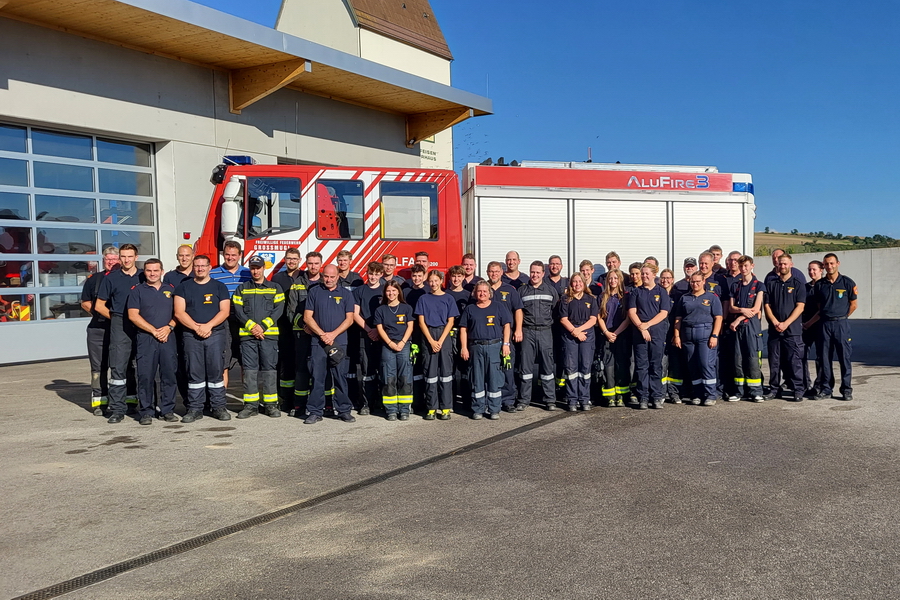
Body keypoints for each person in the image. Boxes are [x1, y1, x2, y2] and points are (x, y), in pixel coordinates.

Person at [174, 255, 232, 423]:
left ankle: (219, 407)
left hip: (216, 334)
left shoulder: (219, 287)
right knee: (194, 372)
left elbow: (225, 311)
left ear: (209, 267)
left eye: (203, 266)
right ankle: (195, 408)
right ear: (193, 267)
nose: (200, 269)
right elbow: (179, 312)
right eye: (197, 266)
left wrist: (208, 326)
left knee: (216, 371)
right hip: (191, 335)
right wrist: (196, 328)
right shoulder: (183, 287)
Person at [95, 243, 142, 423]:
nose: (126, 260)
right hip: (120, 324)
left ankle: (146, 407)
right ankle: (117, 409)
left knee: (144, 367)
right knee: (118, 367)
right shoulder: (111, 278)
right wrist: (115, 317)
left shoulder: (144, 276)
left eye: (130, 256)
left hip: (143, 324)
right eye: (123, 256)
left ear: (136, 257)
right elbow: (99, 305)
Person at [303, 264, 356, 424]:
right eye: (326, 276)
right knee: (317, 377)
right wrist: (322, 334)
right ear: (322, 276)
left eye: (332, 277)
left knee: (340, 377)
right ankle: (315, 411)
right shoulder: (314, 292)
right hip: (318, 343)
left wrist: (332, 334)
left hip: (339, 341)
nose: (329, 279)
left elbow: (350, 319)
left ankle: (344, 410)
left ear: (338, 276)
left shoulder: (346, 294)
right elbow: (307, 317)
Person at [127, 258, 178, 424]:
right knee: (145, 376)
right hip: (146, 339)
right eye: (149, 270)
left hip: (168, 338)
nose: (152, 273)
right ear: (144, 272)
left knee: (169, 375)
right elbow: (133, 315)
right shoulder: (137, 291)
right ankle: (146, 412)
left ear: (162, 272)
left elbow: (179, 313)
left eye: (156, 270)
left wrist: (169, 328)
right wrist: (153, 331)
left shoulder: (171, 289)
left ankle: (167, 410)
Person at [233, 255, 285, 419]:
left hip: (269, 336)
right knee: (249, 371)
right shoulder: (242, 289)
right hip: (248, 337)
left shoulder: (275, 288)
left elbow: (278, 310)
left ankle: (271, 405)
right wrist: (252, 327)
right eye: (253, 268)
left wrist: (262, 327)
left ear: (264, 268)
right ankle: (250, 405)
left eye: (258, 268)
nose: (256, 271)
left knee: (269, 371)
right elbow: (238, 311)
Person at [808, 253, 857, 401]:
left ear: (837, 263)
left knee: (844, 358)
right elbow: (819, 306)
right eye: (826, 264)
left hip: (841, 324)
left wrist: (842, 317)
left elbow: (853, 305)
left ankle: (846, 390)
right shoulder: (820, 285)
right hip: (825, 324)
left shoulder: (847, 282)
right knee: (825, 358)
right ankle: (826, 389)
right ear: (823, 266)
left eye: (832, 263)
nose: (829, 266)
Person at [459, 280, 511, 420]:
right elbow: (463, 329)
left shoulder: (498, 307)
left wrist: (506, 344)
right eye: (479, 291)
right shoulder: (470, 309)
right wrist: (464, 347)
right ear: (475, 293)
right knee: (477, 378)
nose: (482, 293)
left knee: (495, 378)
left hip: (494, 346)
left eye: (484, 291)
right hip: (476, 347)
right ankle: (478, 409)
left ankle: (494, 409)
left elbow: (506, 325)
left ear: (490, 293)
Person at [673, 272, 723, 406]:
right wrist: (677, 335)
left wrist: (714, 335)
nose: (695, 284)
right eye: (692, 282)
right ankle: (697, 394)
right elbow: (678, 318)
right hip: (687, 334)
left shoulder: (712, 297)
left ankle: (710, 394)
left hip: (705, 334)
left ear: (703, 281)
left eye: (697, 281)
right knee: (692, 365)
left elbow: (718, 317)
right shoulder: (684, 298)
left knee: (706, 364)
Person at [80, 246, 120, 415]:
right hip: (98, 330)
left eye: (114, 259)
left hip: (121, 329)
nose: (111, 262)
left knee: (125, 366)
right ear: (103, 261)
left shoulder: (127, 278)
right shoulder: (94, 279)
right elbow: (85, 302)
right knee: (98, 368)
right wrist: (99, 314)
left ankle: (126, 401)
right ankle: (99, 402)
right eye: (108, 259)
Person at [763, 252, 807, 402]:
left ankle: (798, 390)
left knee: (794, 361)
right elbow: (767, 305)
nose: (782, 266)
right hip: (775, 330)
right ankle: (774, 389)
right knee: (774, 362)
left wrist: (786, 323)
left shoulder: (798, 284)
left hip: (792, 331)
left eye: (785, 263)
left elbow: (800, 307)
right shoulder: (771, 284)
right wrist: (775, 322)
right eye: (780, 263)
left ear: (791, 265)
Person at [416, 270, 459, 420]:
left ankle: (446, 407)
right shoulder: (423, 299)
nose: (433, 284)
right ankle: (431, 408)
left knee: (446, 374)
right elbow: (421, 322)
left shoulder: (448, 298)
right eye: (431, 281)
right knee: (430, 374)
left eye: (436, 280)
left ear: (441, 281)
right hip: (428, 336)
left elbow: (451, 322)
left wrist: (440, 341)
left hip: (444, 336)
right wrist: (431, 341)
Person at [627, 263, 671, 410]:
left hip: (657, 333)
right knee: (641, 366)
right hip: (640, 334)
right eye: (642, 273)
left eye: (647, 273)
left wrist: (648, 325)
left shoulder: (662, 292)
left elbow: (664, 313)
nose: (644, 276)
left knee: (656, 365)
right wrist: (641, 327)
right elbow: (632, 312)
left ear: (654, 274)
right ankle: (643, 397)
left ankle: (656, 397)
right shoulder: (636, 292)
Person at [517, 260, 559, 411]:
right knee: (525, 368)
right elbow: (518, 312)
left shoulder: (550, 290)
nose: (534, 275)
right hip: (527, 331)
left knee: (547, 367)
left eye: (537, 272)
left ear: (543, 273)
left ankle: (550, 400)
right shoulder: (522, 291)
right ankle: (524, 400)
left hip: (545, 331)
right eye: (532, 272)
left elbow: (556, 310)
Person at [286, 251, 324, 416]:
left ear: (321, 264)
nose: (313, 266)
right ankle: (299, 405)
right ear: (306, 264)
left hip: (321, 334)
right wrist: (304, 325)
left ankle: (325, 404)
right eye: (310, 263)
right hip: (302, 333)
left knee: (321, 369)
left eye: (316, 263)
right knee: (301, 369)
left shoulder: (325, 282)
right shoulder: (297, 284)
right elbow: (290, 311)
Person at [209, 240, 251, 386]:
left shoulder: (248, 273)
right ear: (223, 255)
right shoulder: (213, 274)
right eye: (227, 254)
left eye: (233, 255)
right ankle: (222, 397)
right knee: (223, 361)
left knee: (246, 362)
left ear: (240, 255)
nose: (230, 258)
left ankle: (248, 397)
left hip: (244, 321)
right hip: (223, 322)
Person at [486, 260, 524, 411]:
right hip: (488, 337)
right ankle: (491, 400)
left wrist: (518, 329)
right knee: (489, 369)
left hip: (507, 336)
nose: (494, 274)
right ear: (487, 273)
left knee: (507, 367)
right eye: (491, 271)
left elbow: (518, 310)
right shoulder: (483, 289)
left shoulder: (510, 290)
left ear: (502, 272)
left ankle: (508, 400)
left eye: (497, 271)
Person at [374, 281, 414, 421]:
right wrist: (390, 343)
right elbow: (380, 329)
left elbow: (410, 327)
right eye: (388, 291)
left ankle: (404, 409)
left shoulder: (406, 308)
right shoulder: (380, 310)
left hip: (404, 345)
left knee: (405, 377)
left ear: (398, 292)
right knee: (388, 378)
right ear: (385, 293)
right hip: (387, 346)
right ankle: (391, 410)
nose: (391, 293)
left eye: (394, 290)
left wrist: (402, 342)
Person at [728, 255, 766, 401]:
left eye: (746, 266)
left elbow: (756, 309)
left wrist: (738, 318)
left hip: (752, 327)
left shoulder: (759, 285)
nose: (743, 269)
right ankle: (739, 392)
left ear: (752, 266)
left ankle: (756, 392)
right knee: (737, 359)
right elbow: (731, 307)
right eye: (741, 266)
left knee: (752, 359)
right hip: (738, 329)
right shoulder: (735, 286)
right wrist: (742, 310)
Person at [558, 272, 598, 411]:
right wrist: (574, 332)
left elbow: (593, 319)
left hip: (586, 335)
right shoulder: (565, 299)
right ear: (571, 284)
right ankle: (572, 400)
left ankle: (584, 399)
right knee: (571, 369)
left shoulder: (591, 299)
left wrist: (579, 331)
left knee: (585, 368)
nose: (577, 284)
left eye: (580, 281)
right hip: (570, 335)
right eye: (575, 281)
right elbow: (563, 319)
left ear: (584, 283)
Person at [351, 262, 385, 415]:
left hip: (383, 335)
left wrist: (378, 330)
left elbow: (388, 311)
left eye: (377, 274)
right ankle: (366, 403)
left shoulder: (385, 290)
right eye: (371, 274)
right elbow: (355, 313)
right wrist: (369, 330)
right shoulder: (359, 291)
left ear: (381, 275)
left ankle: (382, 402)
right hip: (365, 335)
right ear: (367, 273)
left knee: (383, 369)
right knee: (367, 370)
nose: (373, 277)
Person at [163, 244, 195, 404]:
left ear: (193, 256)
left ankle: (203, 401)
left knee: (196, 365)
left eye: (187, 255)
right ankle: (188, 401)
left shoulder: (200, 272)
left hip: (196, 326)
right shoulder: (169, 277)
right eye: (181, 255)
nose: (184, 258)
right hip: (177, 327)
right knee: (180, 365)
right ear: (177, 257)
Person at [271, 247, 303, 406]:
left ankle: (301, 396)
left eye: (294, 259)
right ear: (285, 260)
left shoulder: (304, 277)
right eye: (289, 258)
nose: (291, 261)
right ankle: (284, 397)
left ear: (299, 260)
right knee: (284, 362)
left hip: (301, 327)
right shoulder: (277, 278)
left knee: (301, 362)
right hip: (283, 326)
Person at [597, 268, 631, 407]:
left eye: (615, 278)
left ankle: (621, 396)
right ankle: (610, 397)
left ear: (620, 280)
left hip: (621, 335)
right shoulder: (602, 296)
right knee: (608, 367)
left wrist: (616, 333)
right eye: (610, 278)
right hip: (606, 335)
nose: (613, 281)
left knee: (621, 366)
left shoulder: (626, 297)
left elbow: (628, 318)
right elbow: (599, 317)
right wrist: (606, 332)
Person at [801, 260, 825, 397]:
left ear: (821, 270)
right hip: (805, 327)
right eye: (809, 269)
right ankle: (805, 385)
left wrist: (810, 322)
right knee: (802, 355)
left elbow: (822, 309)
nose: (811, 272)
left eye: (814, 269)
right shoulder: (805, 287)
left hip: (820, 326)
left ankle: (819, 386)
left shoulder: (825, 286)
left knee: (821, 357)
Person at [659, 268, 683, 403]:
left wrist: (676, 334)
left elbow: (680, 317)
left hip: (674, 334)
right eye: (663, 278)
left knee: (675, 364)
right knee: (661, 364)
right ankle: (661, 393)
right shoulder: (656, 293)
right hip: (660, 334)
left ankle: (674, 393)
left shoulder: (678, 295)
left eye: (668, 278)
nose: (665, 280)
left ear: (672, 280)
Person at [546, 255, 569, 394]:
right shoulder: (543, 282)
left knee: (563, 356)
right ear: (548, 266)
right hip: (547, 326)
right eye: (552, 264)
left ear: (561, 266)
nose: (555, 266)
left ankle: (560, 386)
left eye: (557, 264)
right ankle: (545, 387)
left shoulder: (567, 282)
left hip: (564, 326)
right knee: (547, 357)